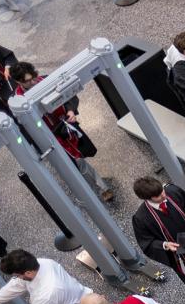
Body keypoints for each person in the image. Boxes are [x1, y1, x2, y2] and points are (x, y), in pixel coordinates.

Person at [10, 61, 115, 203]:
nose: (33, 82)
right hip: (50, 135)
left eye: (33, 77)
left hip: (67, 124)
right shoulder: (18, 101)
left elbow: (69, 95)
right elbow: (24, 126)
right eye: (28, 81)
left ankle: (94, 189)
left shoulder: (46, 80)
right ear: (18, 82)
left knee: (80, 155)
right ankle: (100, 188)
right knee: (76, 160)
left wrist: (71, 110)